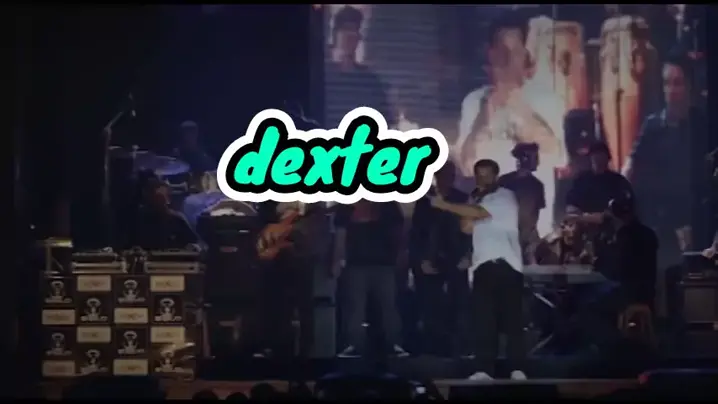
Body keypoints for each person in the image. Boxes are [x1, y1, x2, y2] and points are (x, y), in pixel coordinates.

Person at [454, 13, 565, 236]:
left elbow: (558, 157)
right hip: (489, 229)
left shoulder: (547, 99)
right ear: (491, 54)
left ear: (525, 54)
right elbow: (466, 166)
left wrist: (518, 106)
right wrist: (484, 116)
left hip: (534, 230)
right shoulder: (474, 101)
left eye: (515, 52)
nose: (508, 60)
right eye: (502, 52)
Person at [622, 52, 708, 319]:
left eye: (677, 83)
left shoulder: (700, 124)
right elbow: (632, 164)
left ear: (689, 87)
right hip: (659, 219)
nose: (671, 90)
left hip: (694, 217)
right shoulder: (653, 125)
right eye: (667, 83)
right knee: (659, 282)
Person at [428, 159, 526, 381]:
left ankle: (517, 368)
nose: (483, 179)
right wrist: (465, 209)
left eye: (487, 175)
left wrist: (445, 205)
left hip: (507, 264)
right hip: (481, 265)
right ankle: (484, 369)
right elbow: (466, 227)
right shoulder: (475, 199)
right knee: (484, 321)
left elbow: (480, 214)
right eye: (479, 175)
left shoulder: (505, 196)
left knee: (512, 319)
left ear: (496, 176)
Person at [251, 201, 330, 358]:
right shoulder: (268, 205)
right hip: (275, 262)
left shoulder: (313, 206)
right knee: (277, 305)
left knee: (303, 306)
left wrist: (283, 235)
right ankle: (277, 348)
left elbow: (311, 226)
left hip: (302, 257)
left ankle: (305, 351)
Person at [409, 162, 472, 356]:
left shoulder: (461, 198)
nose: (448, 178)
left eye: (451, 174)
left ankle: (459, 349)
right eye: (444, 174)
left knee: (459, 304)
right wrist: (422, 259)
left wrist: (468, 255)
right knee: (431, 304)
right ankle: (434, 348)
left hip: (456, 257)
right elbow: (418, 232)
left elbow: (469, 230)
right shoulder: (425, 200)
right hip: (432, 257)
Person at [333, 200, 408, 358]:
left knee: (388, 306)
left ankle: (392, 343)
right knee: (356, 307)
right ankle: (356, 344)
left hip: (383, 263)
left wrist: (401, 256)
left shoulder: (387, 203)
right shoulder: (346, 205)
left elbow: (399, 232)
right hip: (357, 263)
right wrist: (338, 260)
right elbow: (341, 235)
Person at [325, 6, 393, 128]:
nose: (350, 35)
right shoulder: (321, 78)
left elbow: (385, 120)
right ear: (335, 34)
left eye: (354, 30)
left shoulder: (370, 83)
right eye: (345, 29)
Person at [499, 143, 545, 263]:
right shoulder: (504, 182)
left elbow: (535, 215)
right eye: (535, 157)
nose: (537, 161)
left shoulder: (537, 185)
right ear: (524, 159)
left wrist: (532, 239)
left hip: (527, 240)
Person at [130, 178, 198, 250]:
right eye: (157, 198)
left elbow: (193, 242)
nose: (161, 201)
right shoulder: (138, 219)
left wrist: (191, 247)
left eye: (163, 198)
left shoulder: (177, 219)